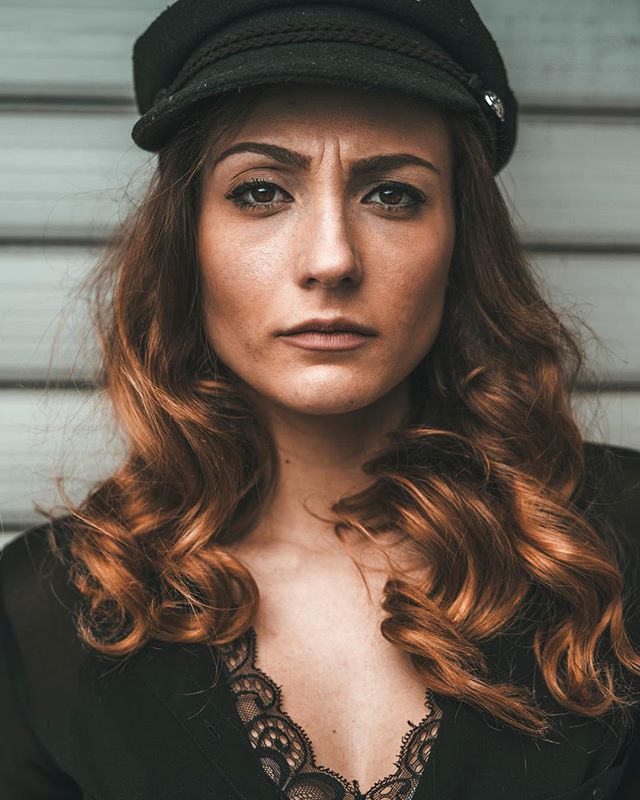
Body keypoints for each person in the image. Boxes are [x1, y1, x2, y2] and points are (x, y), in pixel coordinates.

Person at [1, 1, 639, 798]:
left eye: (393, 195)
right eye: (262, 190)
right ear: (187, 240)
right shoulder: (48, 615)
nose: (332, 259)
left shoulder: (614, 549)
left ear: (460, 243)